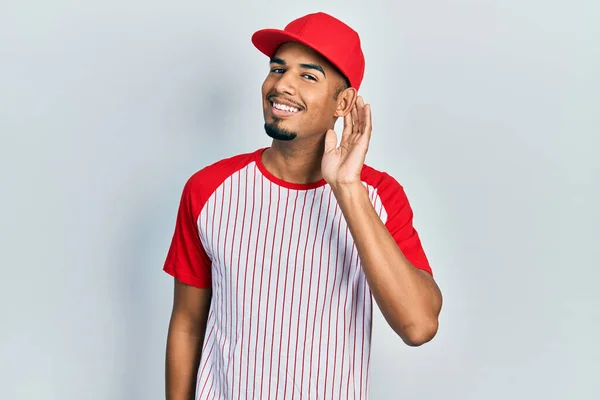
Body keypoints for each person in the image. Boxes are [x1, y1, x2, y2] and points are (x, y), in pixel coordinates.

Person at [163, 11, 443, 400]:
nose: (282, 86)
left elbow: (419, 325)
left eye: (308, 76)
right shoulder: (209, 189)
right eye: (277, 69)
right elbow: (188, 323)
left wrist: (347, 188)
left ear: (342, 102)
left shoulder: (377, 195)